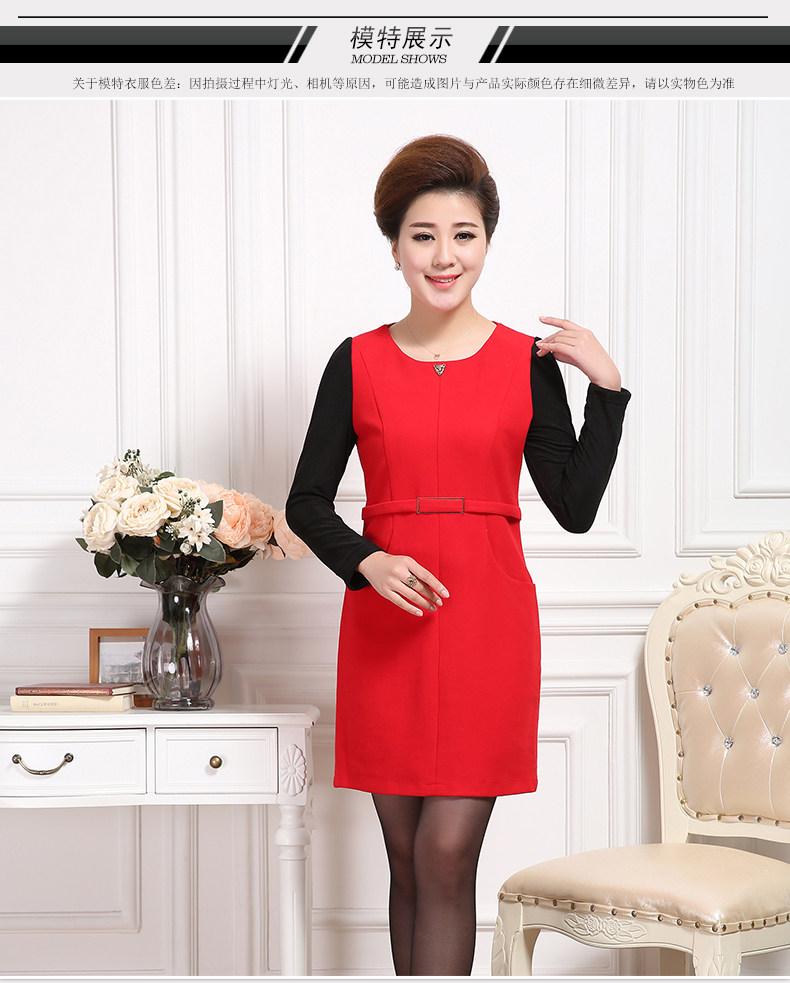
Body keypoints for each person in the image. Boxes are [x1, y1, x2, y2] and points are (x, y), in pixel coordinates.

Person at [286, 134, 631, 976]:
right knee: (406, 859)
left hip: (485, 626)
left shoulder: (527, 362)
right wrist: (367, 561)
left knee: (445, 852)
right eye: (424, 236)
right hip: (388, 625)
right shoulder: (355, 360)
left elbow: (575, 507)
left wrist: (607, 389)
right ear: (394, 246)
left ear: (487, 241)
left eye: (464, 234)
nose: (445, 256)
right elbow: (305, 501)